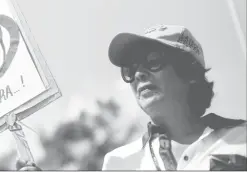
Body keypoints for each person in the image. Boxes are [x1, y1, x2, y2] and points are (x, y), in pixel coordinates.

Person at [102, 24, 247, 170]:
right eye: (131, 69)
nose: (139, 74)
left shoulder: (242, 138)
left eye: (153, 61)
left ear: (190, 72)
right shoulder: (118, 162)